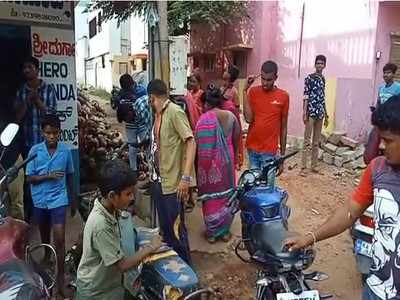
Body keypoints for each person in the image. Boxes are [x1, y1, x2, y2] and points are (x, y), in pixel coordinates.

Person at [284, 96, 400, 300]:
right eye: (380, 138)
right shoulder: (377, 169)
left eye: (388, 140)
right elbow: (349, 212)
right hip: (375, 290)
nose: (381, 146)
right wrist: (309, 238)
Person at [75, 159, 162, 300]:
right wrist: (151, 247)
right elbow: (122, 265)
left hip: (110, 284)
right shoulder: (101, 224)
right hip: (97, 292)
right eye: (128, 194)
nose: (132, 198)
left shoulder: (110, 208)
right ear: (112, 196)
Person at [25, 113, 75, 298]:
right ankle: (47, 254)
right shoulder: (34, 151)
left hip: (59, 199)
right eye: (48, 133)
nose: (52, 136)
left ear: (60, 132)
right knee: (44, 234)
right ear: (42, 133)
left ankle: (60, 277)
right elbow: (29, 178)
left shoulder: (66, 151)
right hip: (39, 200)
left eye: (55, 133)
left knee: (60, 238)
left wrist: (73, 200)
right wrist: (48, 176)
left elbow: (70, 175)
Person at [148, 79, 196, 264]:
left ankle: (187, 271)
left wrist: (185, 178)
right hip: (159, 181)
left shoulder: (175, 112)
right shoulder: (159, 114)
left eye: (149, 100)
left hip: (173, 184)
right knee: (167, 230)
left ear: (152, 98)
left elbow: (191, 142)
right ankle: (173, 272)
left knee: (177, 231)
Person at [195, 84, 240, 243]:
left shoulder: (202, 121)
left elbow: (197, 146)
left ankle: (212, 232)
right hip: (227, 160)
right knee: (227, 195)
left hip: (208, 166)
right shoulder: (230, 117)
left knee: (211, 199)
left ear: (206, 103)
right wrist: (236, 160)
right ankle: (225, 231)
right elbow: (236, 140)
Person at [15, 56, 57, 222]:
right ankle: (34, 212)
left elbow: (52, 115)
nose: (26, 70)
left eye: (30, 67)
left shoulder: (48, 89)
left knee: (47, 175)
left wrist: (37, 101)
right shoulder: (21, 91)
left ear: (37, 70)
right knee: (30, 178)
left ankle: (48, 208)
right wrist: (27, 101)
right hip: (27, 144)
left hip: (45, 144)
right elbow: (17, 118)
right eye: (24, 68)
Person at [243, 60, 289, 180]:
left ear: (275, 78)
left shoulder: (283, 96)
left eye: (269, 80)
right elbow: (248, 119)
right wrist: (244, 90)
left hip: (269, 152)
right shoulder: (253, 92)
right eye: (263, 78)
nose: (265, 83)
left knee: (267, 191)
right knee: (252, 189)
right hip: (252, 150)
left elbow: (283, 128)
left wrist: (282, 157)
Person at [301, 55, 329, 176]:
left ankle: (314, 166)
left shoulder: (323, 79)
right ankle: (303, 167)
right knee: (307, 140)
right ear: (315, 64)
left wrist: (326, 114)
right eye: (318, 63)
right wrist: (304, 112)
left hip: (320, 113)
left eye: (322, 63)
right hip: (311, 112)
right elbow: (306, 95)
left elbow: (323, 98)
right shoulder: (309, 78)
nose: (319, 65)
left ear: (324, 65)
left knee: (316, 142)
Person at [117, 74, 148, 173]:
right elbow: (119, 111)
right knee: (132, 146)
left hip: (142, 123)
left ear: (132, 84)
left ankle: (151, 168)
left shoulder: (141, 91)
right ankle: (133, 170)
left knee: (147, 145)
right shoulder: (121, 93)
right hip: (130, 124)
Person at [221, 64, 244, 169]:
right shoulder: (221, 89)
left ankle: (235, 159)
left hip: (231, 123)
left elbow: (236, 109)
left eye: (226, 70)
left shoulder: (234, 91)